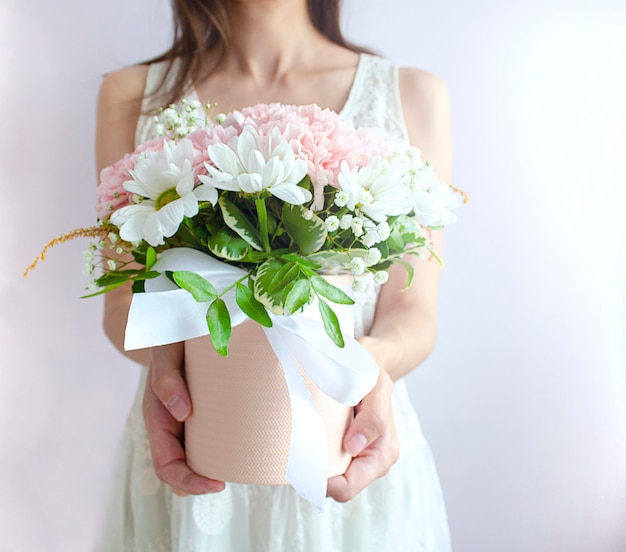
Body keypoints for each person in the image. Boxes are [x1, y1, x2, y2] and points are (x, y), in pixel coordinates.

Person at [96, 0, 453, 550]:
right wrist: (166, 358)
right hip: (199, 440)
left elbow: (413, 311)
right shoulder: (131, 95)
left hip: (347, 439)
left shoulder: (411, 95)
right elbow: (122, 303)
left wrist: (371, 364)